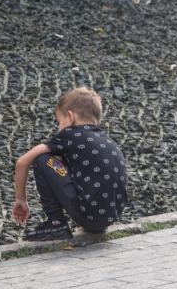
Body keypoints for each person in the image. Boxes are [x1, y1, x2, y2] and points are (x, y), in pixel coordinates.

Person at [12, 87, 128, 241]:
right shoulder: (107, 140)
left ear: (70, 116)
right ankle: (86, 224)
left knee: (41, 159)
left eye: (59, 122)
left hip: (89, 215)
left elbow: (23, 161)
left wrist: (20, 200)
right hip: (110, 217)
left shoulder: (70, 134)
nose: (58, 128)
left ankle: (56, 223)